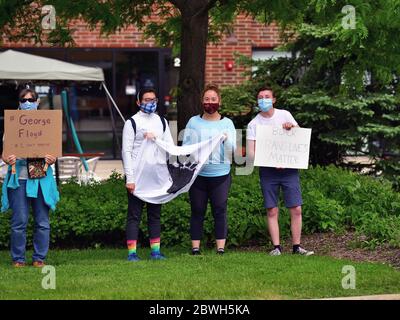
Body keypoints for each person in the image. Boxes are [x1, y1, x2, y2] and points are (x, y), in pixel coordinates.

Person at [247, 86, 314, 256]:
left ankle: (297, 246)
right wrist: (270, 161)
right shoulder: (254, 124)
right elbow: (250, 152)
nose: (263, 100)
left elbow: (300, 138)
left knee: (296, 208)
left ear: (274, 99)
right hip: (268, 172)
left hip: (289, 170)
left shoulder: (284, 115)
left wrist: (292, 127)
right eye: (260, 97)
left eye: (267, 96)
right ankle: (276, 247)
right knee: (272, 209)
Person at [1, 88, 59, 267]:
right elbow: (4, 154)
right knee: (19, 221)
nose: (27, 102)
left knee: (42, 221)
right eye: (23, 99)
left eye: (31, 99)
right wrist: (7, 158)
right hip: (19, 178)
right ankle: (18, 258)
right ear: (18, 102)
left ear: (37, 101)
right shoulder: (12, 125)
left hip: (41, 176)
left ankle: (39, 258)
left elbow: (53, 152)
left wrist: (52, 157)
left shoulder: (47, 124)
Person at [183, 84, 236, 255]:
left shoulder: (227, 123)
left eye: (213, 99)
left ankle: (220, 248)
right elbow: (186, 148)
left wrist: (226, 139)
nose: (210, 102)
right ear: (202, 101)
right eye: (207, 99)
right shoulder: (193, 122)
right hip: (198, 174)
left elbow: (233, 150)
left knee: (220, 210)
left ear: (219, 101)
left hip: (221, 174)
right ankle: (195, 248)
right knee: (197, 210)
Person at [122, 88, 174, 261]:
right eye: (146, 100)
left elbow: (170, 148)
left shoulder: (162, 121)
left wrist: (156, 139)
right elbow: (126, 152)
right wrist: (130, 179)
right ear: (138, 102)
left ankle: (156, 251)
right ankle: (132, 253)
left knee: (155, 215)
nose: (150, 103)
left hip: (156, 177)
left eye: (153, 99)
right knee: (134, 215)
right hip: (137, 177)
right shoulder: (132, 123)